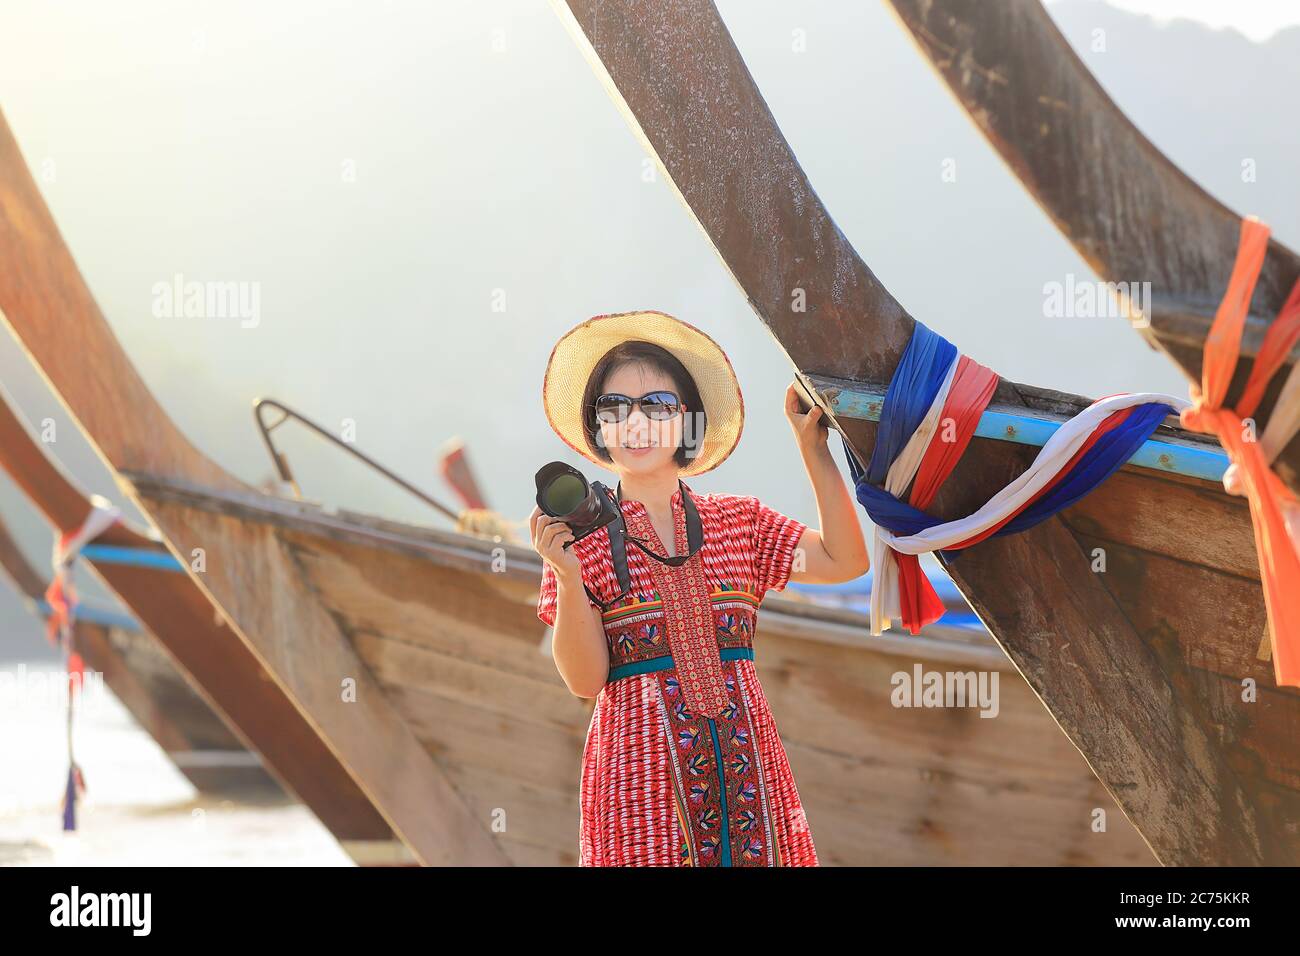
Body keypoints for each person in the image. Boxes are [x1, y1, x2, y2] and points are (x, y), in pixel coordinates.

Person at [531, 310, 870, 866]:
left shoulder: (739, 522)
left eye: (657, 405)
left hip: (751, 780)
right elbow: (585, 681)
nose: (635, 422)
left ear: (687, 421)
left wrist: (814, 451)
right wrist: (567, 575)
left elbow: (845, 560)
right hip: (638, 796)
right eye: (614, 407)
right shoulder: (578, 544)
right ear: (598, 427)